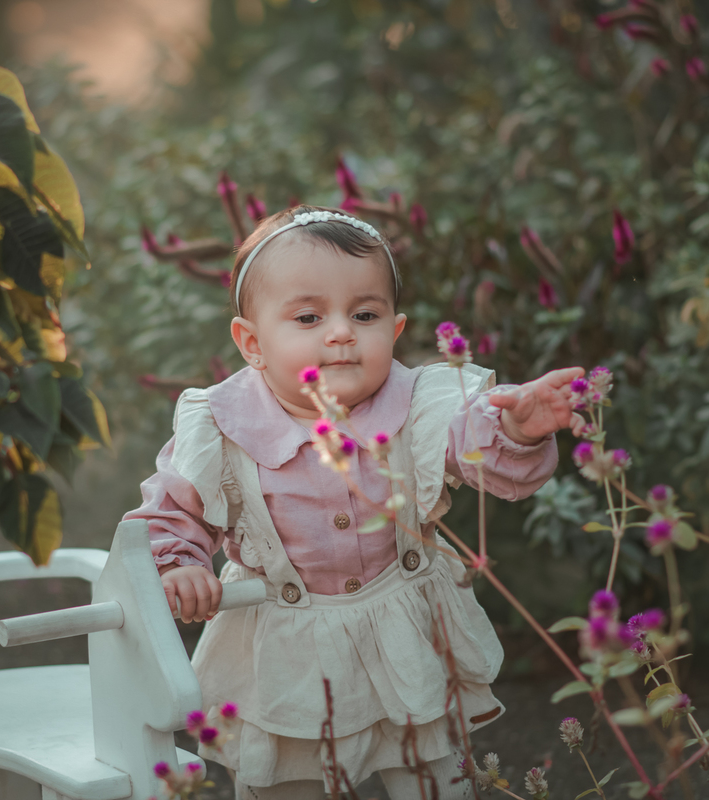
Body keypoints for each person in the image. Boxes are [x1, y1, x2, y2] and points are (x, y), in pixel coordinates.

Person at [124, 205, 585, 800]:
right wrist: (179, 563)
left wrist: (517, 430)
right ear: (252, 343)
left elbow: (470, 443)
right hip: (283, 642)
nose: (341, 332)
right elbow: (171, 510)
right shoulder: (221, 425)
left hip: (404, 628)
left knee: (434, 776)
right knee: (287, 780)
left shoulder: (419, 404)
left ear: (394, 330)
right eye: (309, 317)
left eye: (365, 315)